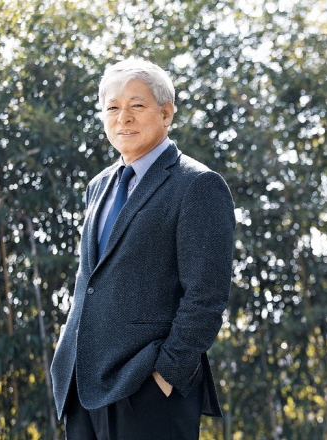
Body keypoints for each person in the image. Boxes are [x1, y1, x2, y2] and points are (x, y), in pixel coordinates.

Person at [50, 58, 236, 440]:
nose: (123, 118)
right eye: (112, 107)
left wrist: (165, 375)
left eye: (137, 105)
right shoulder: (98, 186)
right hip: (81, 387)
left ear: (166, 113)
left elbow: (206, 296)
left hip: (147, 390)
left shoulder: (197, 185)